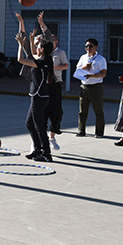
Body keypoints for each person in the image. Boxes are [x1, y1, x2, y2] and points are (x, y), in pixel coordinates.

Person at [16, 29, 55, 162]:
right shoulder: (46, 59)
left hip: (39, 97)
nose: (36, 48)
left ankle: (46, 153)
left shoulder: (43, 62)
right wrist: (32, 40)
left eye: (38, 46)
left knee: (39, 126)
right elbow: (33, 54)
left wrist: (21, 45)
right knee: (29, 123)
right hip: (39, 96)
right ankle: (37, 149)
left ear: (42, 49)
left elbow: (21, 59)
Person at [37, 13, 68, 150]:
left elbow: (66, 66)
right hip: (44, 85)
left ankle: (52, 136)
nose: (51, 40)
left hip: (55, 84)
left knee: (56, 112)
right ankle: (40, 139)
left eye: (54, 39)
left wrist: (53, 67)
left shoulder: (60, 53)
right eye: (50, 39)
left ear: (57, 41)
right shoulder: (43, 53)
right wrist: (41, 24)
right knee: (43, 113)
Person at [74, 38, 108, 138]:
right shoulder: (83, 57)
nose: (88, 48)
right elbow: (77, 70)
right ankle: (81, 130)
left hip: (95, 87)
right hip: (84, 86)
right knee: (82, 111)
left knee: (98, 110)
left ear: (96, 47)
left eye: (90, 46)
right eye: (86, 46)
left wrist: (92, 75)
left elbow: (103, 73)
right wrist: (85, 67)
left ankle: (99, 132)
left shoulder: (100, 59)